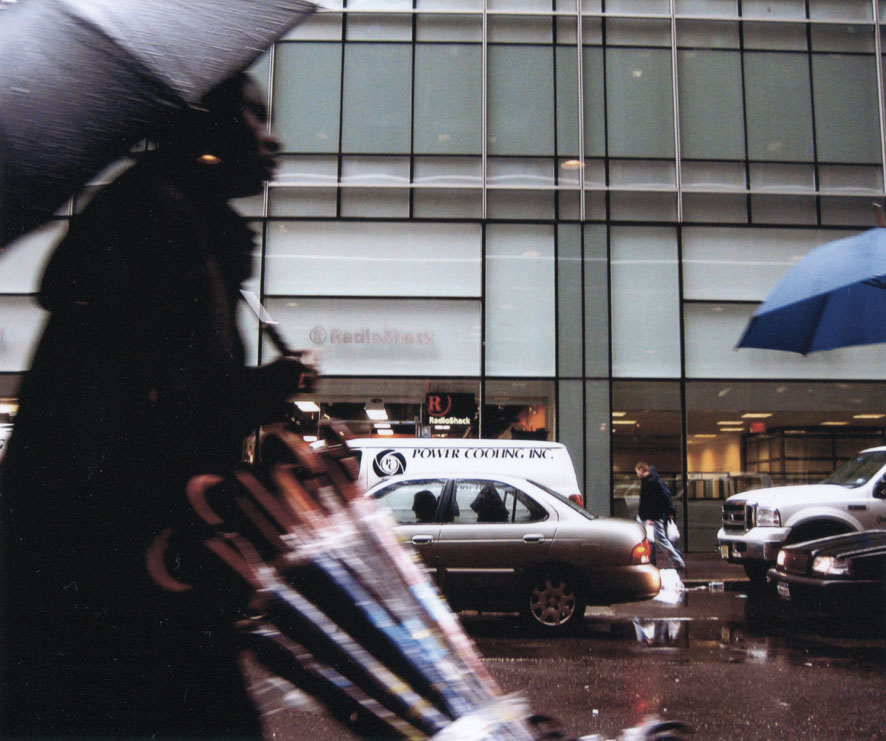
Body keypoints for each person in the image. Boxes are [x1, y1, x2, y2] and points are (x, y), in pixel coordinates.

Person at [0, 72, 311, 738]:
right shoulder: (162, 226)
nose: (272, 137)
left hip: (108, 564)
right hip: (119, 570)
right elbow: (167, 407)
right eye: (255, 118)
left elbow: (172, 388)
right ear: (209, 129)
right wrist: (265, 390)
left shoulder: (174, 222)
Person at [635, 461, 685, 571]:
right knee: (653, 540)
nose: (637, 474)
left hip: (652, 518)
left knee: (659, 540)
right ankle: (672, 561)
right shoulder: (649, 481)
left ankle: (677, 561)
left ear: (642, 470)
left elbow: (657, 501)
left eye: (638, 472)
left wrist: (650, 517)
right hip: (648, 517)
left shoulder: (653, 483)